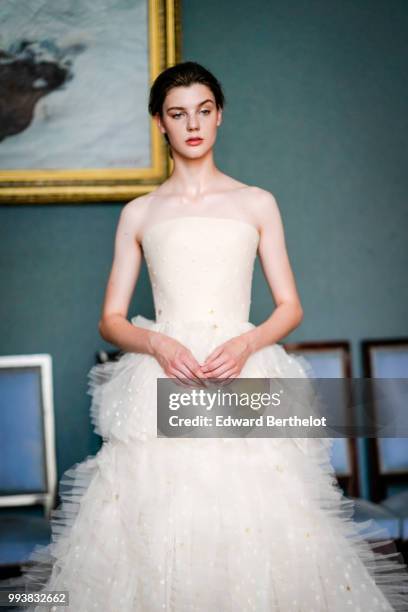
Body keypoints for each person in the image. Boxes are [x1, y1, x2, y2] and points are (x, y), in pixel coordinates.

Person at [3, 60, 408, 611]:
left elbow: (290, 307)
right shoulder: (140, 213)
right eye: (177, 113)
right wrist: (160, 344)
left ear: (219, 118)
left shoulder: (256, 202)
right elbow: (111, 320)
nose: (192, 123)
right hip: (166, 376)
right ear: (160, 123)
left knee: (260, 525)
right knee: (157, 532)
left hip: (241, 370)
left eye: (203, 110)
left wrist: (247, 343)